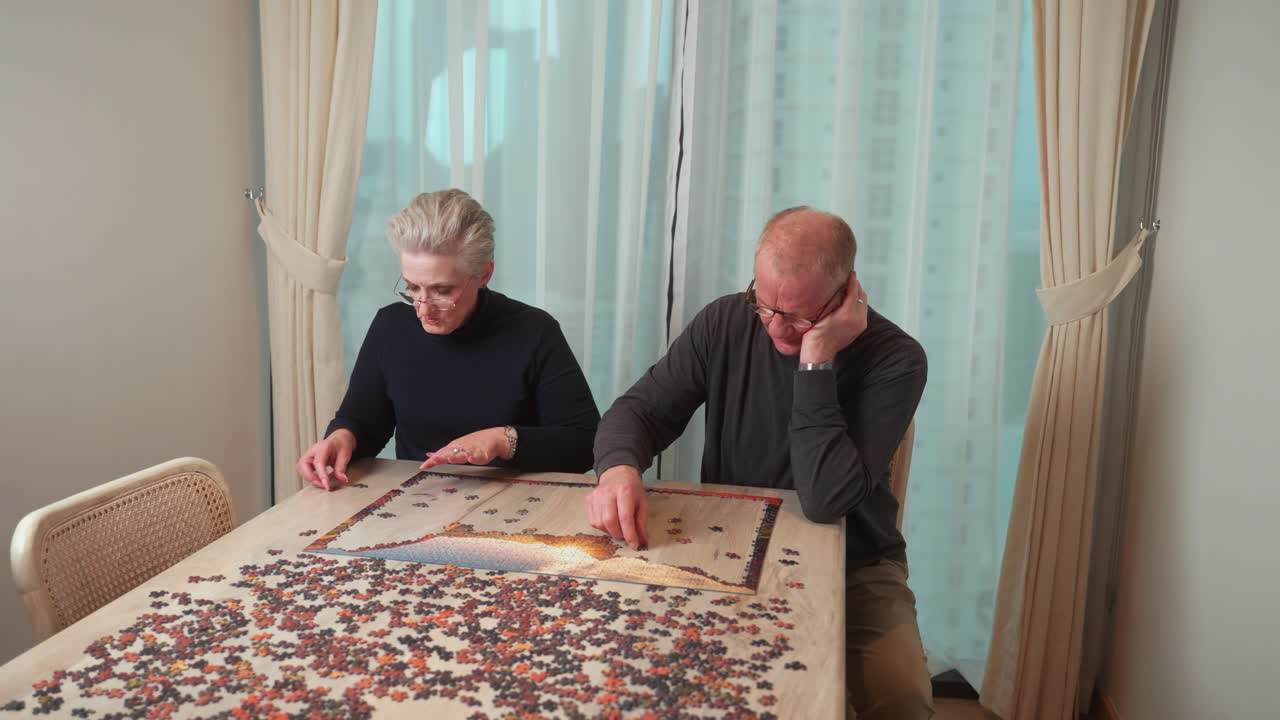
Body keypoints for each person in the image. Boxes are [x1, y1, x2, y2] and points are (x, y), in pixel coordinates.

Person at [586, 206, 933, 719]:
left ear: (845, 295)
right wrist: (619, 468)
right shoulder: (725, 320)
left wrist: (816, 359)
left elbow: (825, 500)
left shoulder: (897, 358)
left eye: (797, 316)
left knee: (902, 697)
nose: (775, 327)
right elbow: (640, 411)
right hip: (726, 547)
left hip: (855, 563)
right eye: (764, 305)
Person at [298, 189, 600, 489]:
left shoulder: (534, 331)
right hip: (418, 497)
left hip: (516, 500)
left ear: (484, 274)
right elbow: (363, 421)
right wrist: (342, 438)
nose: (423, 309)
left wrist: (503, 440)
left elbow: (585, 443)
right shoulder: (390, 326)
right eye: (412, 287)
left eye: (442, 291)